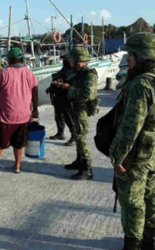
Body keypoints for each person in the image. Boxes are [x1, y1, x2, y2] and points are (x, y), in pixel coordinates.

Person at [110, 32, 155, 250]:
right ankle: (150, 242)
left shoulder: (141, 85)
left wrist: (117, 156)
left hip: (134, 156)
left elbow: (130, 127)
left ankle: (132, 245)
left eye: (130, 55)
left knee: (132, 203)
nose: (128, 61)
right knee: (152, 198)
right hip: (153, 152)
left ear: (140, 56)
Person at [0, 47, 38, 175]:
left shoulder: (4, 73)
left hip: (7, 115)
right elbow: (35, 94)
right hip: (24, 115)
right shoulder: (30, 74)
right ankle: (17, 166)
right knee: (19, 143)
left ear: (10, 59)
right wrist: (35, 111)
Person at [61, 47, 98, 180]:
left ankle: (86, 169)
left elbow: (89, 93)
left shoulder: (89, 74)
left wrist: (69, 89)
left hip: (82, 110)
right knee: (77, 136)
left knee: (81, 138)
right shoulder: (77, 72)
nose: (69, 62)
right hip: (75, 108)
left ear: (78, 60)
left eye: (71, 59)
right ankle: (79, 161)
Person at [46, 56, 77, 146]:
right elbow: (56, 80)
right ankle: (60, 133)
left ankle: (74, 135)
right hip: (58, 96)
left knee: (69, 117)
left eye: (65, 60)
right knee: (58, 115)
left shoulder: (73, 72)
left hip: (67, 97)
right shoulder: (64, 69)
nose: (64, 62)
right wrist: (51, 87)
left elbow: (69, 82)